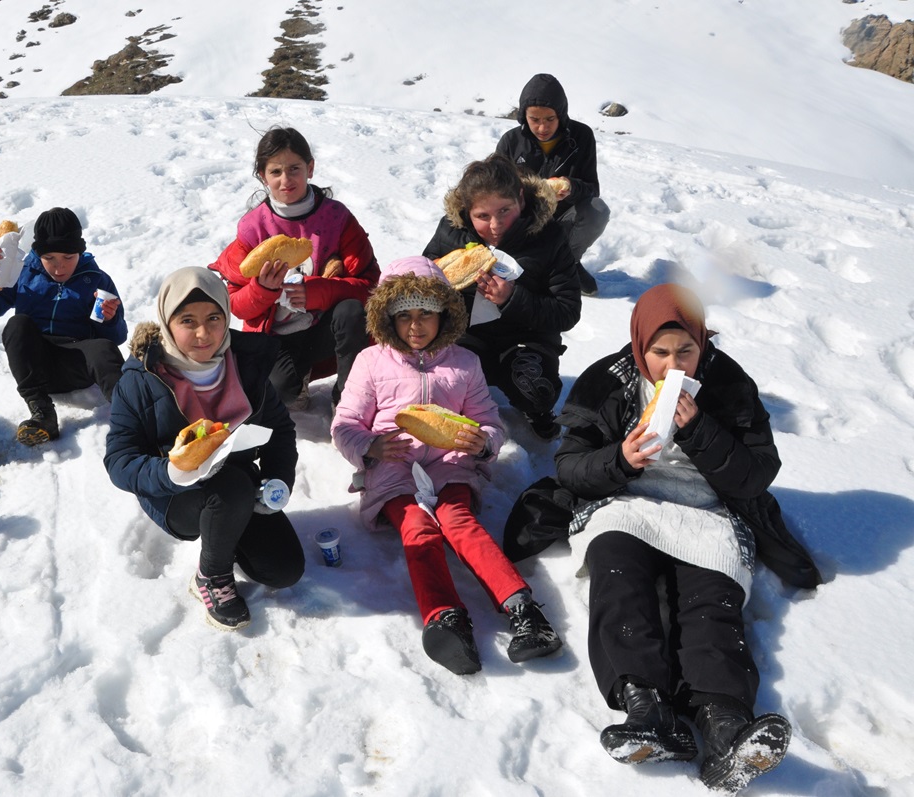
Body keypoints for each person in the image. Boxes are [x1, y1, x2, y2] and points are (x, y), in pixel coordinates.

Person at [553, 284, 821, 792]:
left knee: (710, 603)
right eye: (659, 352)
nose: (672, 365)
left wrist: (700, 429)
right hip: (627, 504)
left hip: (709, 509)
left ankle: (725, 728)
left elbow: (755, 475)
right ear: (639, 346)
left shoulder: (728, 382)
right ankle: (647, 711)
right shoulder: (606, 382)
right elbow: (569, 467)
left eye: (686, 351)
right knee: (618, 579)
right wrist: (620, 460)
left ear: (703, 343)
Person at [331, 256, 562, 674]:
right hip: (394, 465)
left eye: (426, 314)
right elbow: (345, 424)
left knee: (458, 520)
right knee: (417, 528)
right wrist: (372, 448)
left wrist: (483, 442)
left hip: (450, 460)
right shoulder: (371, 362)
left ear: (446, 315)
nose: (415, 326)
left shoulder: (464, 363)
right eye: (404, 316)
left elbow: (489, 419)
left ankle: (523, 610)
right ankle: (444, 615)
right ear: (388, 318)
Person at [104, 267, 304, 631]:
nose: (203, 333)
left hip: (240, 482)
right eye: (187, 321)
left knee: (283, 569)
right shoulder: (142, 377)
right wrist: (171, 472)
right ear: (167, 321)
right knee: (231, 490)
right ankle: (211, 577)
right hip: (175, 495)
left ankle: (228, 525)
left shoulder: (245, 362)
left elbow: (280, 429)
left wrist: (277, 481)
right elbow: (119, 460)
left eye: (214, 318)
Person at [209, 127, 379, 410]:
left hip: (326, 329)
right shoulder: (252, 229)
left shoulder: (337, 219)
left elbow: (370, 286)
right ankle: (295, 380)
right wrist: (263, 289)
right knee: (281, 393)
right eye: (275, 172)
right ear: (263, 176)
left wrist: (316, 292)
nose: (286, 180)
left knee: (352, 312)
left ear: (310, 168)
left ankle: (349, 399)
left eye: (294, 169)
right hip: (276, 337)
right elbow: (236, 305)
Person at [423, 153, 581, 440]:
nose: (495, 225)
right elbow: (424, 276)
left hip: (526, 338)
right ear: (467, 211)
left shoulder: (548, 237)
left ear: (521, 199)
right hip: (466, 332)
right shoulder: (452, 231)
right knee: (441, 381)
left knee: (536, 389)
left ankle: (537, 411)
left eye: (505, 211)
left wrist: (512, 298)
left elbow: (567, 310)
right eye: (482, 216)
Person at [0, 207, 126, 446]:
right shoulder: (22, 273)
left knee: (103, 348)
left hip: (76, 363)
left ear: (80, 252)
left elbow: (116, 338)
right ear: (37, 253)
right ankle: (42, 414)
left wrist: (110, 320)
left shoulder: (95, 279)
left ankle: (132, 414)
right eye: (49, 258)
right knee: (17, 324)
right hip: (33, 365)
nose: (59, 267)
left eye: (68, 258)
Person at [495, 73, 609, 296]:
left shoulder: (581, 137)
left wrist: (571, 186)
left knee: (597, 209)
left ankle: (570, 263)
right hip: (523, 221)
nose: (542, 127)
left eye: (550, 119)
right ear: (523, 116)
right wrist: (532, 192)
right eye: (534, 119)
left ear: (561, 114)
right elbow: (495, 188)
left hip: (564, 220)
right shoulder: (511, 142)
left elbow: (592, 188)